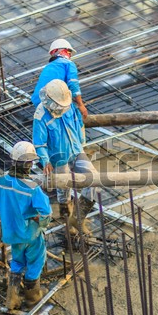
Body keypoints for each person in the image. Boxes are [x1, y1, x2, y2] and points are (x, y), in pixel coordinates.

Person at [0, 141, 52, 310]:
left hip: (11, 234)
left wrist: (1, 220)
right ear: (28, 164)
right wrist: (42, 223)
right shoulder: (32, 187)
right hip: (30, 234)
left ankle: (12, 298)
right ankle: (32, 298)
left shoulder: (0, 182)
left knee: (17, 261)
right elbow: (46, 213)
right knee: (35, 261)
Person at [33, 79, 98, 233]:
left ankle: (78, 217)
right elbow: (39, 143)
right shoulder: (41, 116)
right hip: (58, 158)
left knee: (95, 180)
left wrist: (82, 142)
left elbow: (78, 125)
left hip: (76, 151)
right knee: (64, 187)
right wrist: (45, 160)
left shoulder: (69, 106)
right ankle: (66, 214)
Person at [31, 38, 89, 119]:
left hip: (39, 103)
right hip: (53, 103)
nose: (70, 55)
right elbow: (73, 84)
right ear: (61, 51)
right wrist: (81, 105)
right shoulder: (68, 63)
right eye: (69, 51)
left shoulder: (48, 67)